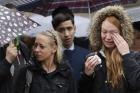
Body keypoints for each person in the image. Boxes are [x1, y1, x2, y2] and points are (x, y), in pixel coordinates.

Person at [79, 5, 140, 93]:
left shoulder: (134, 57)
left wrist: (126, 55)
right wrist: (86, 75)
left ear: (122, 33)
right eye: (104, 32)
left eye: (113, 32)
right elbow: (82, 90)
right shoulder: (92, 58)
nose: (107, 37)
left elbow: (137, 85)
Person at [51, 6, 91, 81]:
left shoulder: (87, 55)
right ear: (55, 31)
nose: (66, 34)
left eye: (69, 28)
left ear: (74, 28)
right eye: (61, 30)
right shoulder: (49, 56)